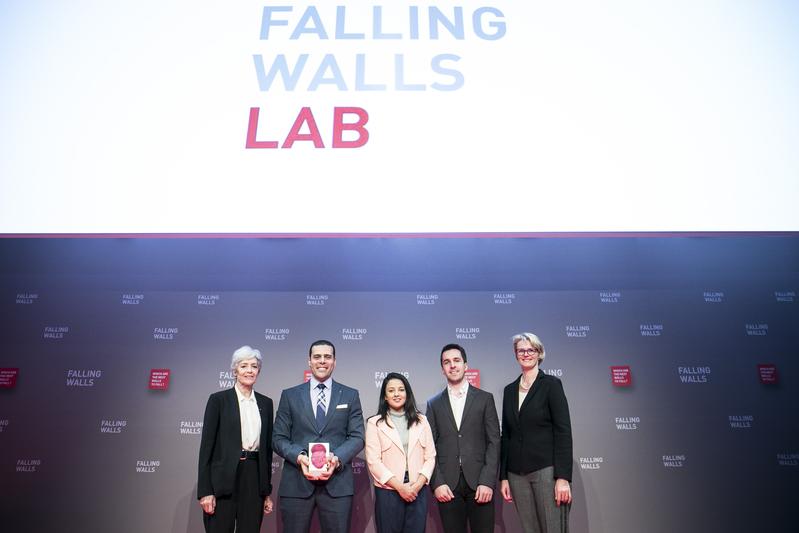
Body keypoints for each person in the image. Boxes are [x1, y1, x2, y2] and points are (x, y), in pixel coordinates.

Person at [272, 340, 365, 533]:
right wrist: (300, 457)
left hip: (337, 485)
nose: (322, 361)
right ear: (309, 361)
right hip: (296, 484)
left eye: (327, 357)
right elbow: (278, 438)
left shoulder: (350, 395)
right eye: (317, 357)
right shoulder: (290, 395)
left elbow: (357, 437)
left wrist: (336, 459)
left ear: (334, 362)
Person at [499, 333, 573, 533]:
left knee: (553, 529)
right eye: (521, 350)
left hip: (545, 471)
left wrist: (563, 478)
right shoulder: (509, 390)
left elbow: (563, 431)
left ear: (539, 353)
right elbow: (506, 435)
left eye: (530, 350)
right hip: (516, 474)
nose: (526, 354)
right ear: (516, 355)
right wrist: (503, 476)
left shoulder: (551, 385)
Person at [197, 345, 274, 533]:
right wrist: (205, 491)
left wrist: (266, 492)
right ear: (235, 370)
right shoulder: (218, 400)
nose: (249, 370)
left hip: (254, 477)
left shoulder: (266, 403)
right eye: (244, 366)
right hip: (223, 479)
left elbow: (267, 452)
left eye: (254, 366)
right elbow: (207, 448)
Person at [426, 344, 500, 533]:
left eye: (457, 360)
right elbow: (429, 447)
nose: (452, 365)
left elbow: (494, 442)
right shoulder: (433, 404)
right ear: (442, 369)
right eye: (447, 362)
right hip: (447, 486)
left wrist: (487, 481)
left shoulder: (485, 399)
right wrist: (437, 483)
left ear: (466, 365)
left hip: (480, 483)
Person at [365, 372, 436, 533]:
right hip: (388, 492)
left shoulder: (422, 420)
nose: (396, 394)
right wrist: (400, 487)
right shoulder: (374, 423)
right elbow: (374, 462)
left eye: (401, 389)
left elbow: (430, 457)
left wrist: (417, 486)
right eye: (391, 390)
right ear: (385, 396)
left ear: (407, 393)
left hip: (417, 490)